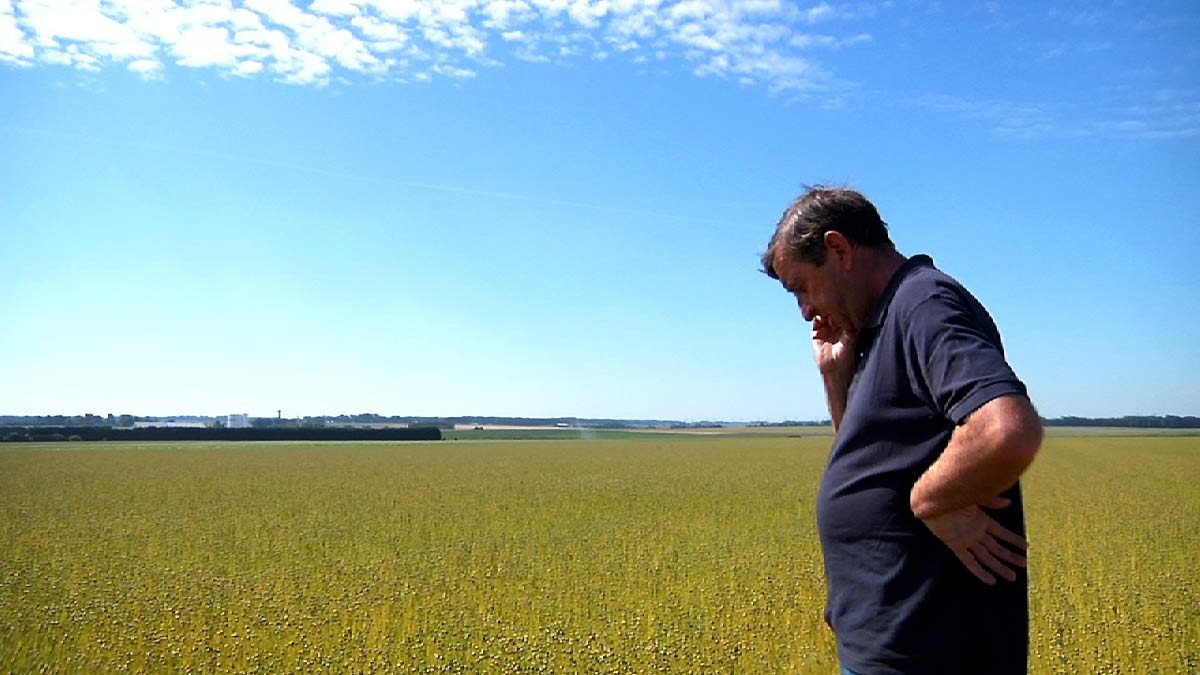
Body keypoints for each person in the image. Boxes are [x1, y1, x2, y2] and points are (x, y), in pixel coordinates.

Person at [761, 186, 1043, 674]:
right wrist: (836, 375)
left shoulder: (924, 303)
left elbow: (1006, 428)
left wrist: (931, 499)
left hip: (929, 654)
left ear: (839, 249)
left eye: (801, 287)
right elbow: (871, 458)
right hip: (890, 643)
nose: (805, 311)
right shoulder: (882, 323)